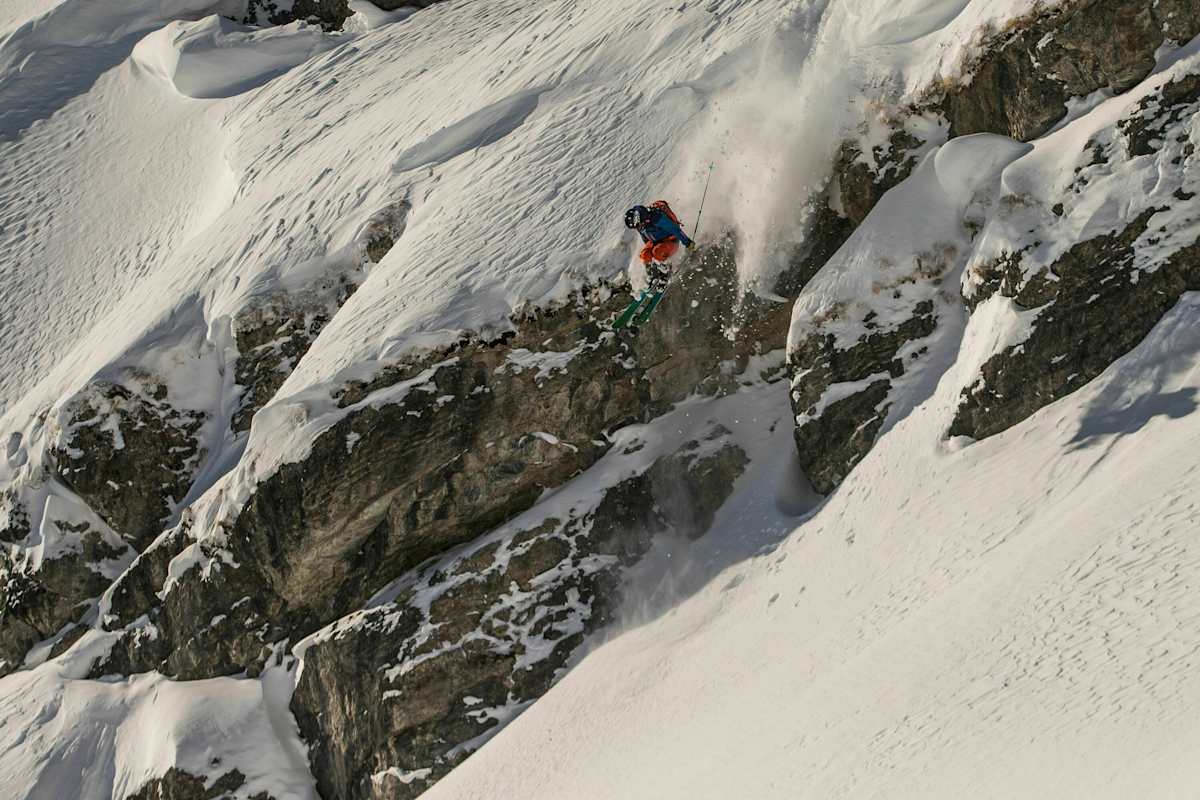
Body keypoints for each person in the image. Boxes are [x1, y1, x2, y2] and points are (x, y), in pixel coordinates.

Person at [624, 201, 695, 292]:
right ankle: (652, 276)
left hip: (671, 242)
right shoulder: (641, 225)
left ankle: (665, 273)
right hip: (657, 242)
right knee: (644, 254)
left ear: (639, 219)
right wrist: (649, 254)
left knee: (656, 251)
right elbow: (646, 240)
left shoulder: (656, 218)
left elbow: (675, 230)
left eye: (637, 225)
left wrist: (688, 243)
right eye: (635, 227)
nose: (638, 228)